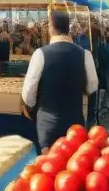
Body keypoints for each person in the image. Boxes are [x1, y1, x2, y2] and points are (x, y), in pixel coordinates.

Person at [21, 10, 98, 152]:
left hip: (48, 125)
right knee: (73, 167)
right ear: (67, 27)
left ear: (51, 27)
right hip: (75, 123)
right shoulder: (85, 54)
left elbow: (28, 93)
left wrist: (34, 108)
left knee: (49, 168)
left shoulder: (40, 54)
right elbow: (93, 86)